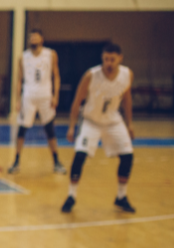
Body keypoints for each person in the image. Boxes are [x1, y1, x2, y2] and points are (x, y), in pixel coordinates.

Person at [61, 43, 136, 214]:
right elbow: (77, 101)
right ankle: (71, 196)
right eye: (106, 59)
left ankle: (121, 196)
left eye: (112, 59)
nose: (108, 63)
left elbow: (127, 99)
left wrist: (129, 123)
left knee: (128, 156)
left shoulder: (127, 74)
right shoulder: (91, 75)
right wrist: (72, 126)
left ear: (120, 59)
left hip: (113, 121)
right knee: (80, 155)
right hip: (91, 121)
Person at [8, 29, 66, 175]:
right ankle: (16, 161)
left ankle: (56, 161)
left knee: (49, 129)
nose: (33, 39)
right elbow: (19, 80)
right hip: (28, 96)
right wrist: (17, 100)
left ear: (42, 39)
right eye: (31, 37)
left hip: (45, 96)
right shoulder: (23, 56)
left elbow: (56, 76)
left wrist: (55, 95)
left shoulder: (50, 54)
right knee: (22, 129)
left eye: (36, 37)